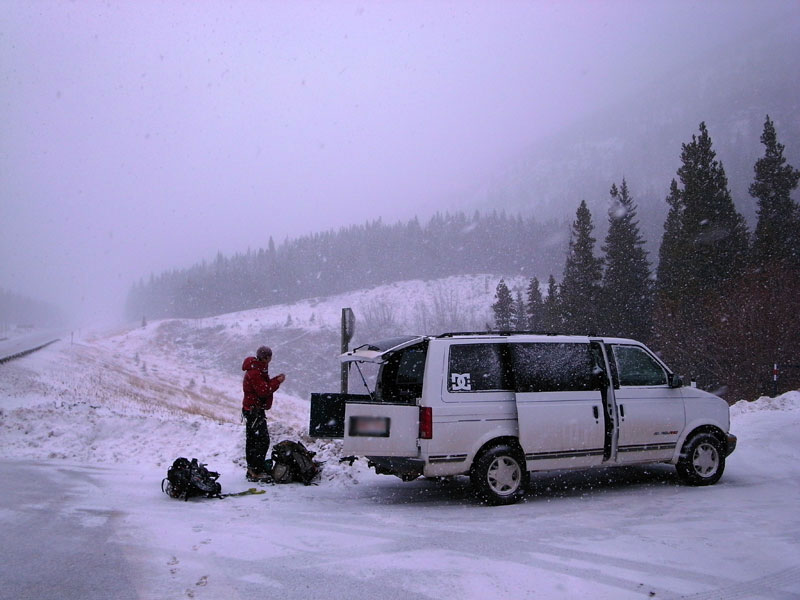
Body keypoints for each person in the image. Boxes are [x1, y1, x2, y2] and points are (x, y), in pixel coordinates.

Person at [241, 345, 285, 481]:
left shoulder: (258, 369)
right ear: (266, 357)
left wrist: (274, 380)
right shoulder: (255, 372)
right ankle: (256, 470)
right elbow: (263, 391)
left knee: (254, 440)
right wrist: (277, 382)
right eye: (270, 357)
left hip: (253, 410)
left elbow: (263, 387)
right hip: (254, 411)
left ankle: (253, 469)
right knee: (261, 441)